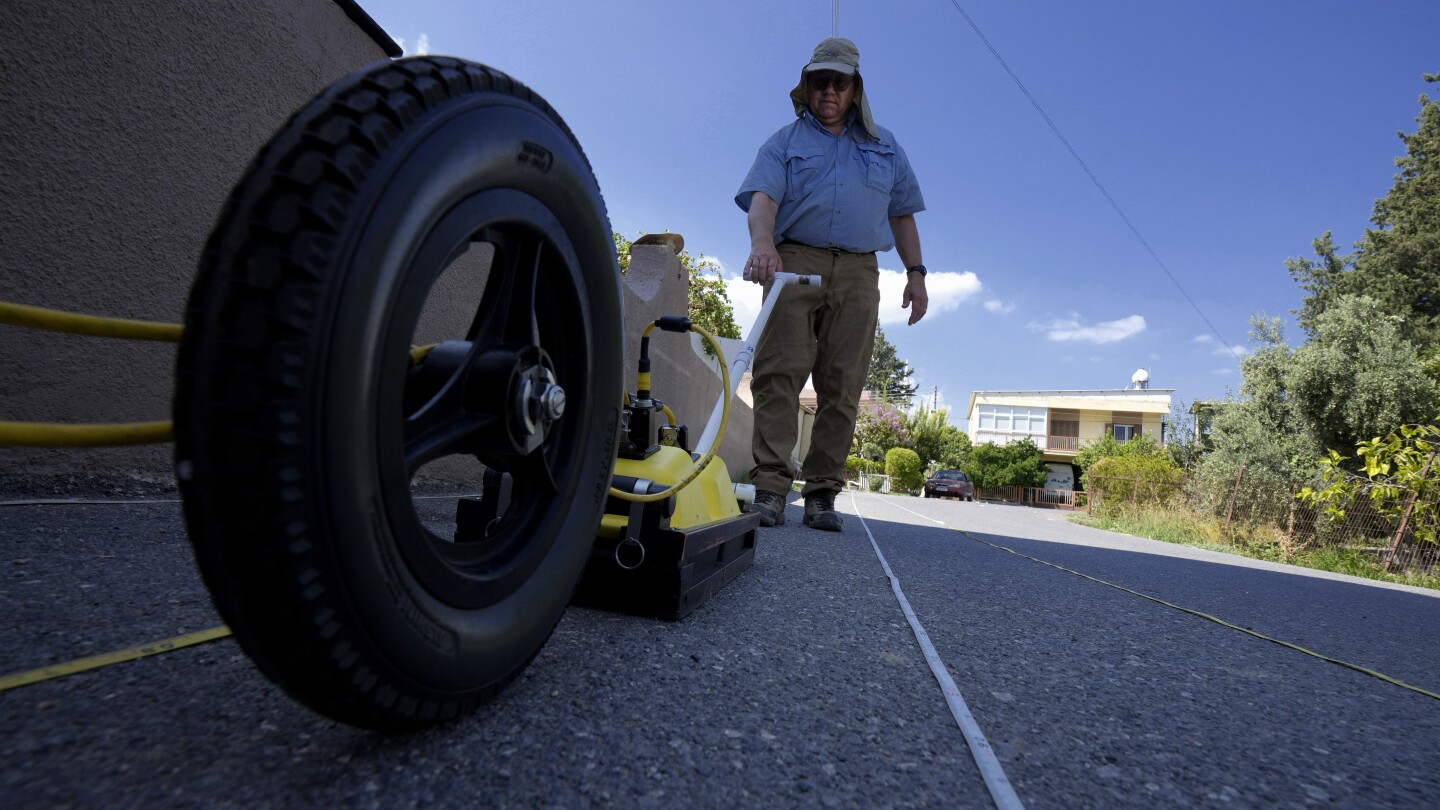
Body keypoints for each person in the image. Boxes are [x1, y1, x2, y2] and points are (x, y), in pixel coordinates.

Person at [736, 37, 929, 532]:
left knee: (844, 382)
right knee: (777, 373)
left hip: (861, 271)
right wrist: (763, 244)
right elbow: (763, 202)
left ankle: (822, 493)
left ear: (854, 88)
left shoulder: (886, 147)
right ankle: (771, 490)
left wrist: (916, 273)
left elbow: (902, 214)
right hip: (793, 259)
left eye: (837, 83)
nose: (827, 91)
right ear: (807, 86)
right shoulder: (785, 142)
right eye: (819, 81)